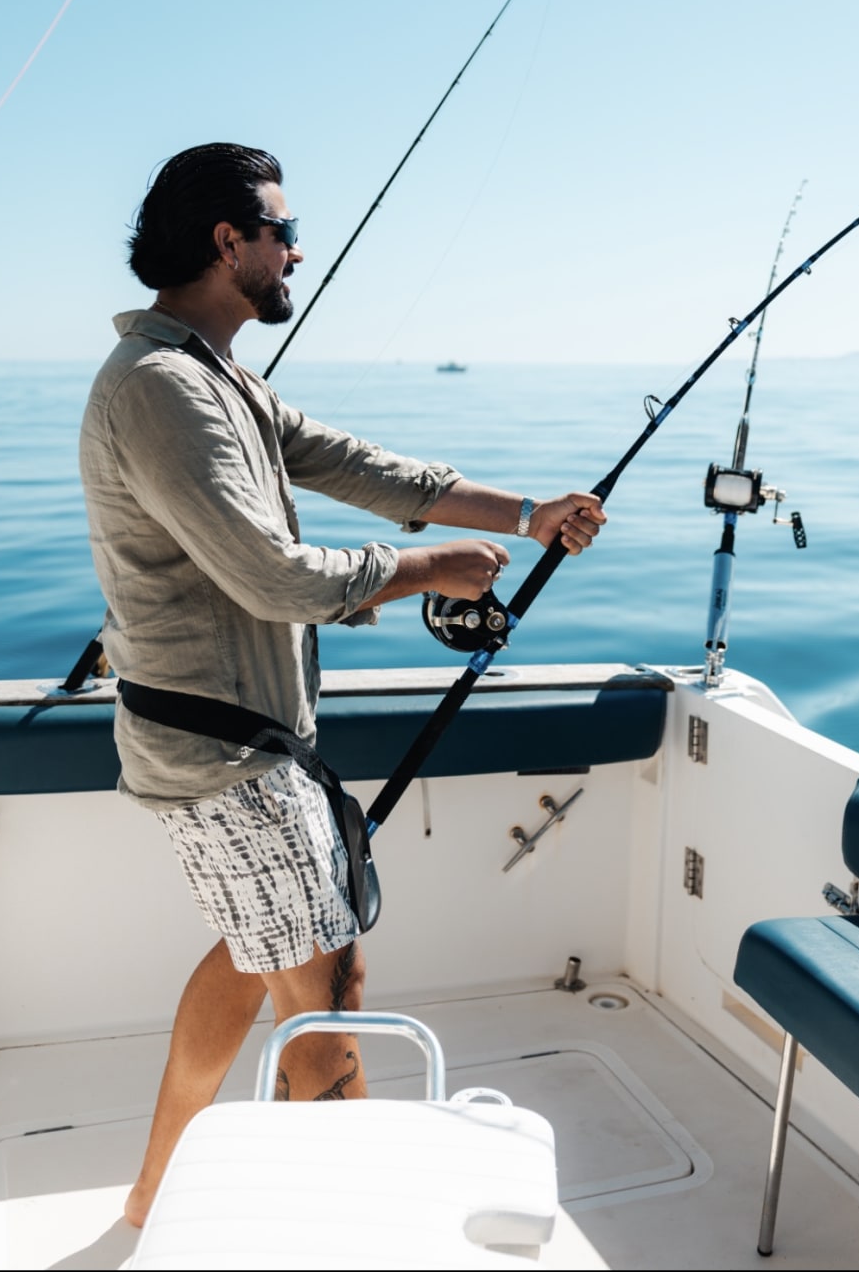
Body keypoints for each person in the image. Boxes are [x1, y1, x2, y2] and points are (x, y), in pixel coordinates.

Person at [79, 141, 607, 1227]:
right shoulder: (162, 389)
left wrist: (525, 515)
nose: (296, 252)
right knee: (331, 999)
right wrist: (428, 569)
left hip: (239, 742)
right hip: (225, 755)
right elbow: (274, 577)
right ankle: (360, 1227)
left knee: (257, 957)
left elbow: (364, 467)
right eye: (283, 231)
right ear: (227, 241)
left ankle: (152, 1194)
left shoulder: (221, 379)